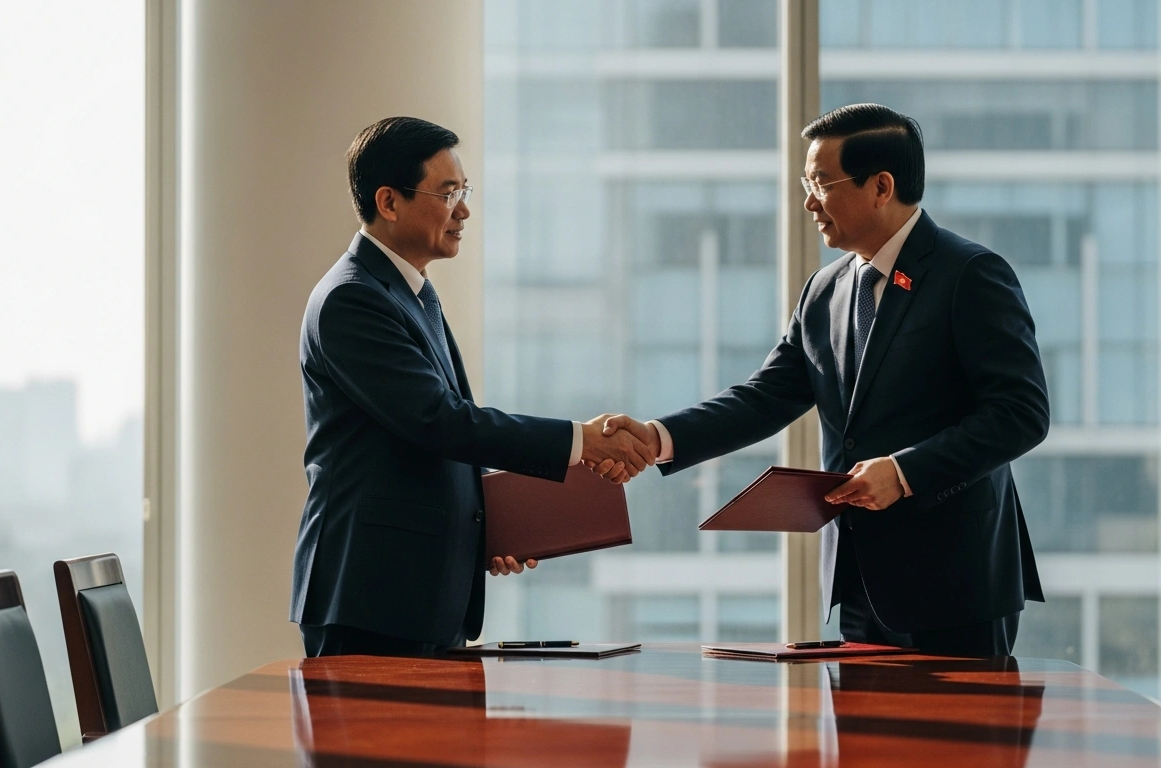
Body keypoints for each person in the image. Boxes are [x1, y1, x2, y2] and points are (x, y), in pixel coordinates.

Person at [601, 104, 1049, 656]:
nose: (809, 201)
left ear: (881, 186)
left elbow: (1020, 414)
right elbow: (765, 397)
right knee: (861, 744)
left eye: (821, 183)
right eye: (804, 183)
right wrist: (656, 438)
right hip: (859, 580)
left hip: (957, 582)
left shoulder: (972, 274)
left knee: (963, 742)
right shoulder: (826, 289)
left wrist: (905, 472)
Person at [291, 117, 654, 657]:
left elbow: (440, 431)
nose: (464, 209)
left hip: (419, 594)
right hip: (371, 596)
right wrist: (581, 441)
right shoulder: (352, 299)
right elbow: (439, 421)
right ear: (388, 202)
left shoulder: (409, 291)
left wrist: (491, 522)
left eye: (464, 191)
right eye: (447, 192)